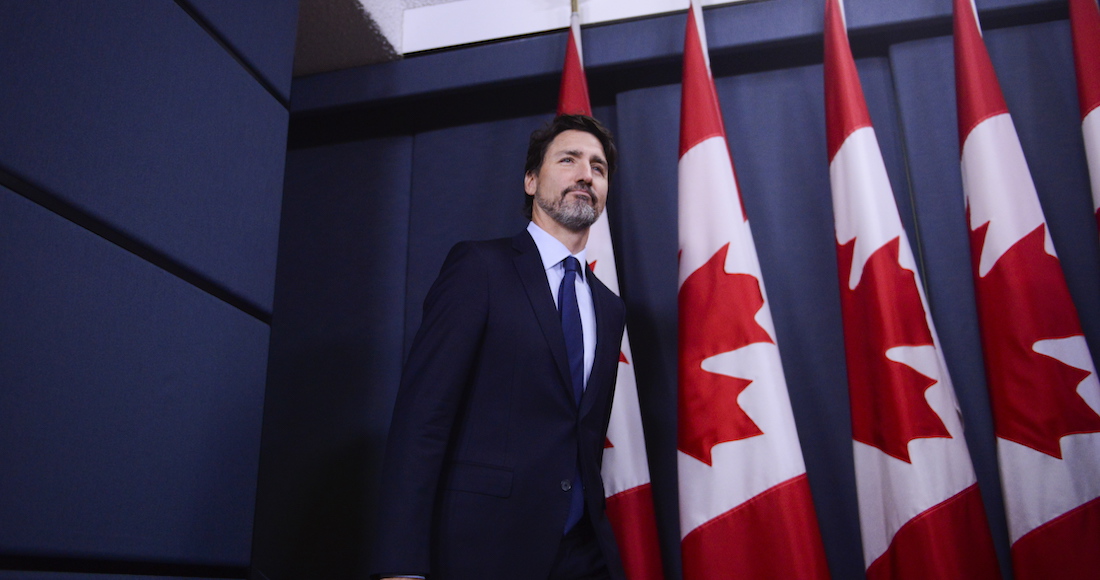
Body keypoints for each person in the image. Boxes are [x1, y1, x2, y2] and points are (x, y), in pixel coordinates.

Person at [372, 114, 627, 580]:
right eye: (568, 160)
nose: (585, 175)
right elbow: (422, 419)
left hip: (582, 554)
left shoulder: (610, 309)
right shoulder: (479, 268)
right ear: (531, 180)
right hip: (483, 549)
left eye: (598, 167)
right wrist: (400, 565)